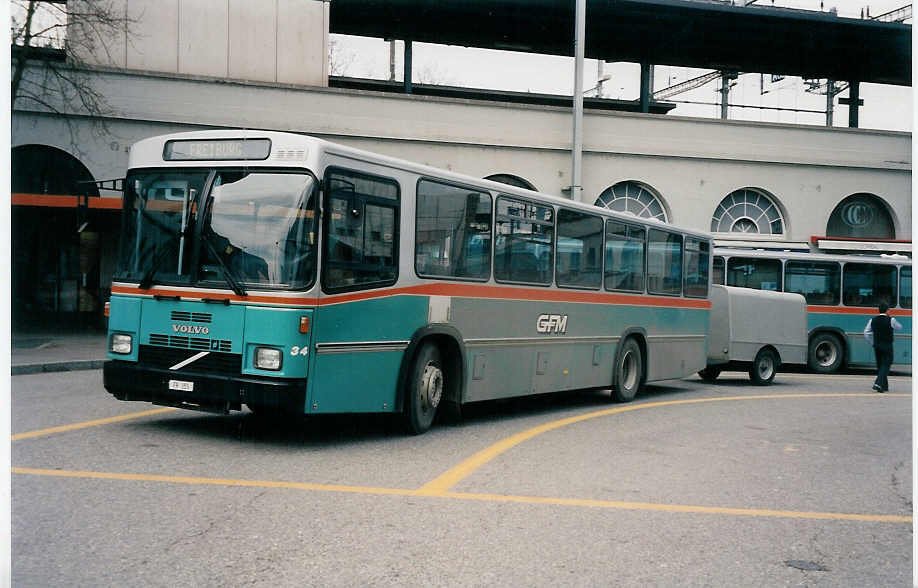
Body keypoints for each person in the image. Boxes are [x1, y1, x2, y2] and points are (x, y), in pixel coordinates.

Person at [863, 302, 902, 392]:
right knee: (887, 364)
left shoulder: (872, 320)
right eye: (889, 310)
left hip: (877, 346)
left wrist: (872, 343)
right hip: (887, 345)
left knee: (880, 365)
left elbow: (866, 333)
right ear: (887, 310)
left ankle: (884, 386)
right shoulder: (891, 320)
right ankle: (878, 383)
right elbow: (899, 327)